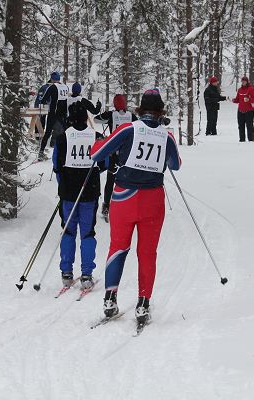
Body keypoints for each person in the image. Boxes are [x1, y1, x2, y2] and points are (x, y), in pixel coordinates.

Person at [91, 89, 181, 324]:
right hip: (152, 199)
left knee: (118, 247)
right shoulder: (167, 135)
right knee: (147, 252)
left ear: (140, 109)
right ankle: (143, 304)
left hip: (124, 197)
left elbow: (98, 154)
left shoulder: (129, 128)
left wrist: (99, 142)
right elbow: (176, 164)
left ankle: (110, 298)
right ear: (161, 111)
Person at [52, 100, 107, 289]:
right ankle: (86, 274)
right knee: (87, 232)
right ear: (86, 118)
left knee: (68, 230)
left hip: (68, 193)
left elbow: (57, 166)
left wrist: (64, 184)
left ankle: (66, 272)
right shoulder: (97, 137)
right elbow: (105, 163)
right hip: (89, 192)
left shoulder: (62, 138)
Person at [94, 94, 138, 221]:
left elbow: (97, 120)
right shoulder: (131, 116)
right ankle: (127, 205)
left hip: (114, 152)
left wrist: (106, 116)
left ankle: (106, 206)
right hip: (128, 153)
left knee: (110, 179)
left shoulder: (111, 115)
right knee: (128, 180)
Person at [39, 72, 69, 160]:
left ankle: (41, 152)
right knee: (66, 133)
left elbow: (44, 99)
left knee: (47, 133)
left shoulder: (52, 87)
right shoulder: (65, 87)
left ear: (52, 79)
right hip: (63, 114)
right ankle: (67, 153)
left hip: (54, 113)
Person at [232, 76, 254, 142]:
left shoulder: (251, 89)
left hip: (249, 111)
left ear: (247, 82)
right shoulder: (239, 90)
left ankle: (251, 140)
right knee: (241, 126)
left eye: (244, 81)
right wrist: (233, 100)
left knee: (249, 126)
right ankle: (242, 140)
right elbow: (238, 99)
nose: (243, 82)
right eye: (242, 81)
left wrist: (249, 99)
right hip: (240, 111)